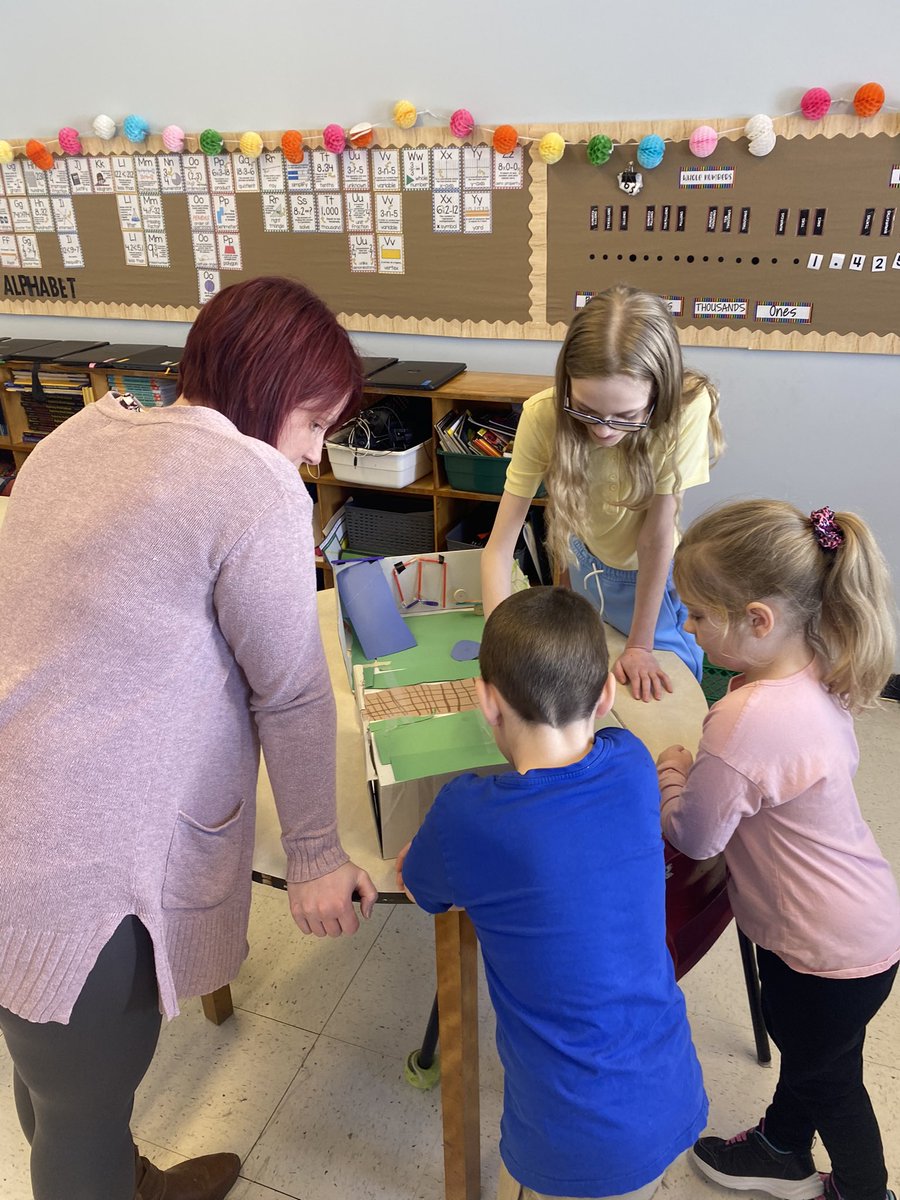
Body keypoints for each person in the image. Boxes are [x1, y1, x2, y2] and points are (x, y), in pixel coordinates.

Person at [0, 276, 379, 1200]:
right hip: (76, 859)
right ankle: (104, 1179)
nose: (315, 454)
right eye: (317, 424)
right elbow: (288, 692)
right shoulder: (254, 482)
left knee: (49, 1073)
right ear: (273, 392)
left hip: (20, 815)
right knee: (79, 1106)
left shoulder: (78, 432)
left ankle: (123, 1179)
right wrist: (318, 855)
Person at [397, 586, 708, 1200]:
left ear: (486, 702)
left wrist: (426, 860)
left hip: (569, 1136)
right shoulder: (633, 765)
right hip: (670, 1095)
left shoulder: (466, 816)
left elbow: (421, 888)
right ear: (607, 696)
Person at [657, 500, 899, 1200]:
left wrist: (673, 768)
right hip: (858, 926)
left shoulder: (743, 720)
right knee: (817, 1058)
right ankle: (782, 1147)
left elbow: (696, 834)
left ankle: (862, 1191)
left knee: (832, 1082)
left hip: (821, 946)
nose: (690, 628)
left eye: (697, 615)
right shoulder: (817, 666)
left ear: (758, 620)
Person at [480, 285, 723, 703]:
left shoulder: (686, 408)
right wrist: (497, 656)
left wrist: (641, 646)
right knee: (578, 686)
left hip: (651, 574)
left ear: (658, 393)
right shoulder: (543, 414)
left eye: (626, 417)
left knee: (666, 691)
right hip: (584, 562)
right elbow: (498, 549)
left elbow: (656, 535)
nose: (604, 430)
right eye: (586, 411)